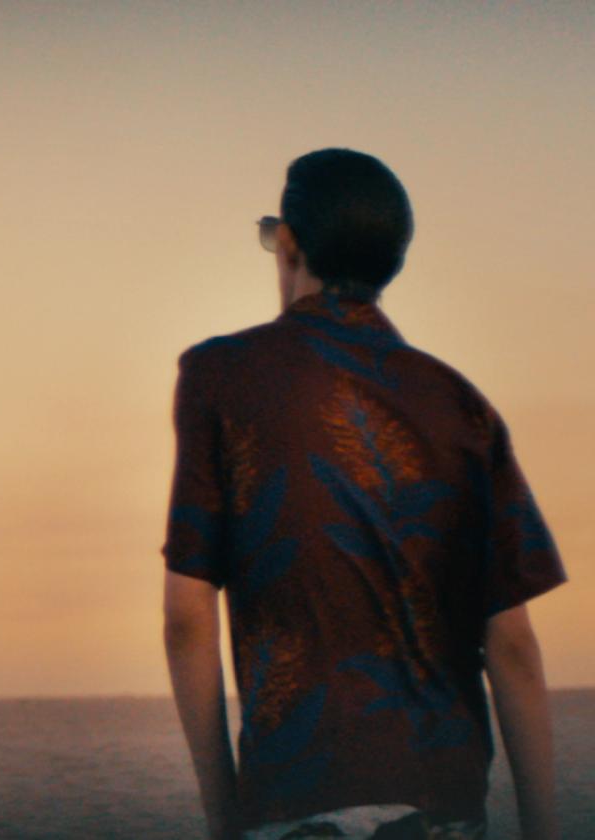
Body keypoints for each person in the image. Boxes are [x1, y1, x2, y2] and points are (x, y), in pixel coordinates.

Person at [161, 149, 564, 840]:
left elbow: (186, 616)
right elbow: (514, 646)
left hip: (298, 793)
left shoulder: (222, 375)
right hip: (444, 801)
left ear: (290, 244)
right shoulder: (460, 404)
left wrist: (224, 816)